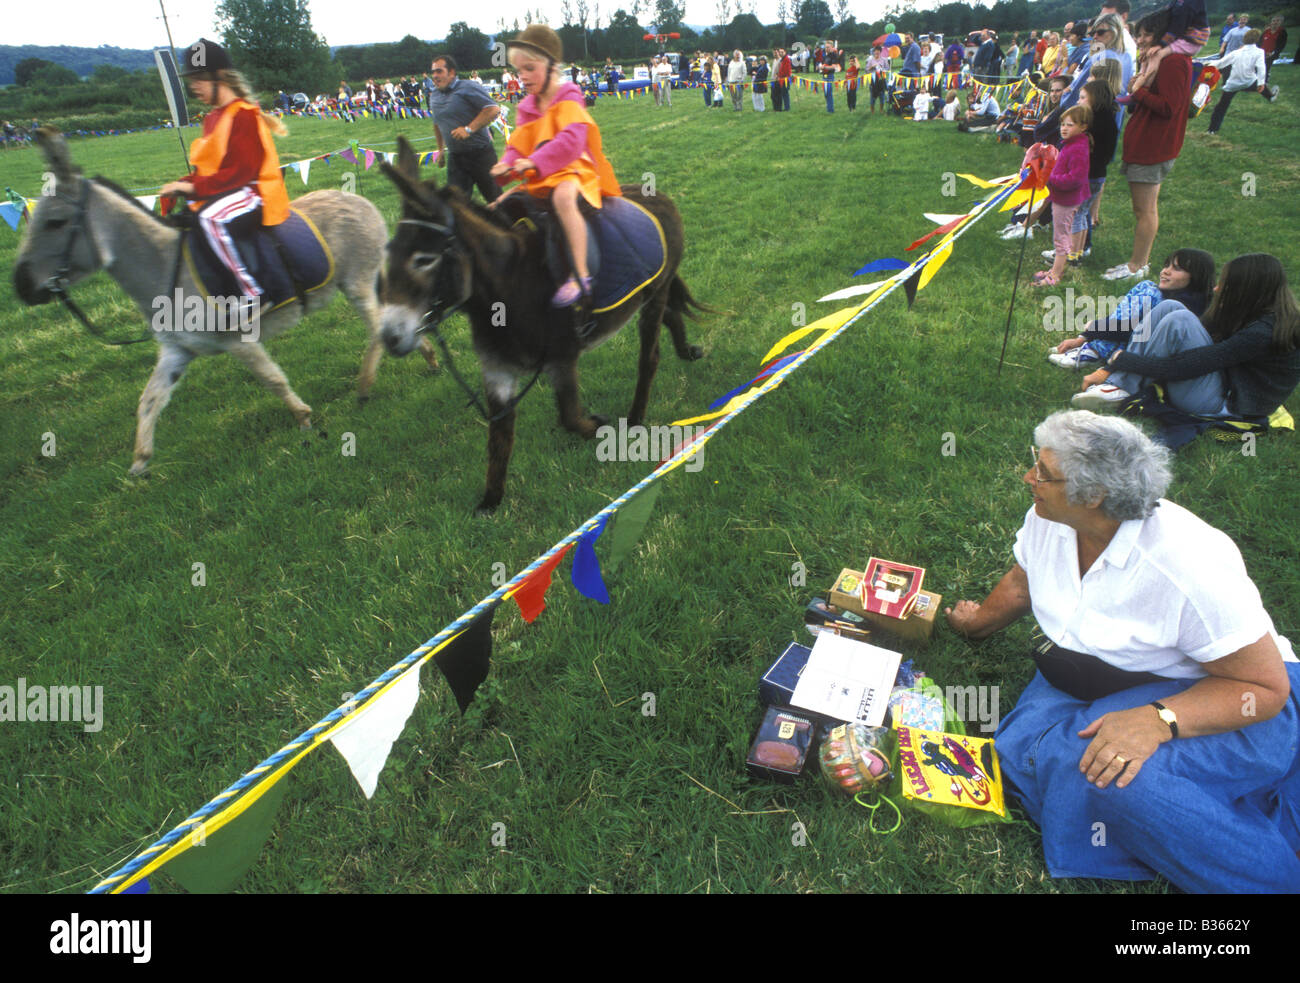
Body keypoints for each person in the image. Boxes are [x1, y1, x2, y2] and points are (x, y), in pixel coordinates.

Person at [946, 410, 1300, 892]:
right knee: (1021, 757)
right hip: (1105, 676)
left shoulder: (1187, 566)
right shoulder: (1050, 517)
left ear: (1094, 496)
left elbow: (1264, 687)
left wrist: (1159, 720)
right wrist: (975, 624)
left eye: (1044, 473)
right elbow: (1024, 579)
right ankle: (1228, 805)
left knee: (1110, 775)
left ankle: (1272, 876)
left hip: (1230, 697)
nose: (1029, 477)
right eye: (1036, 462)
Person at [1072, 254, 1300, 444]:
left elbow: (1181, 368)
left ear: (1247, 290)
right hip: (1222, 381)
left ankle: (1123, 386)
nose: (1217, 288)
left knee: (1179, 319)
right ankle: (1120, 386)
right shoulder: (1254, 312)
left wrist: (1119, 359)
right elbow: (1159, 337)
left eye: (1226, 284)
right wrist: (1094, 331)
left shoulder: (1262, 332)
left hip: (1224, 404)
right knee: (1170, 307)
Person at [489, 24, 622, 308]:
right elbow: (517, 147)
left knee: (563, 197)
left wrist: (534, 162)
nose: (522, 77)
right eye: (519, 70)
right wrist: (505, 165)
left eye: (529, 69)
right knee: (501, 202)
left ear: (551, 66)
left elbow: (571, 141)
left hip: (574, 170)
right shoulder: (526, 107)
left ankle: (581, 274)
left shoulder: (570, 95)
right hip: (541, 173)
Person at [158, 38, 289, 304]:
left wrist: (193, 188)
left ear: (220, 77)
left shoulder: (243, 115)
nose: (194, 88)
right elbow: (210, 168)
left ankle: (251, 293)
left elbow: (240, 172)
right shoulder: (212, 118)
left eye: (199, 80)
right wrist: (182, 183)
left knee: (211, 219)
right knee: (189, 218)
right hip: (226, 190)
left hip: (253, 192)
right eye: (192, 81)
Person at [1103, 10, 1190, 283]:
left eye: (1145, 34)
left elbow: (1169, 107)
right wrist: (1138, 90)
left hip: (1154, 147)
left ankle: (1137, 265)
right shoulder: (1156, 62)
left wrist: (1139, 92)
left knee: (1145, 210)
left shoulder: (1174, 62)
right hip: (1146, 143)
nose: (1139, 40)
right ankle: (1138, 261)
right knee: (1143, 208)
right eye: (1138, 34)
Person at [1049, 248, 1214, 369]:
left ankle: (1096, 350)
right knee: (1148, 287)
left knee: (1149, 290)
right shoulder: (1174, 296)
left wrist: (1096, 327)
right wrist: (1083, 337)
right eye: (1167, 265)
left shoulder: (1184, 309)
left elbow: (1138, 329)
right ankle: (1092, 346)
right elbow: (1126, 322)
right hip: (1132, 342)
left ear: (1196, 277)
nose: (1165, 271)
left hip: (1146, 354)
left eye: (1176, 268)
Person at [1034, 105, 1092, 288]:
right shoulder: (1072, 144)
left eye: (1070, 125)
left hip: (1066, 200)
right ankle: (1054, 271)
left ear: (1083, 127)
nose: (1064, 128)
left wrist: (1051, 179)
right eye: (1063, 124)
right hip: (1062, 197)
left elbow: (1076, 178)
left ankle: (1055, 275)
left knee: (1061, 237)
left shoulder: (1077, 149)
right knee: (1061, 234)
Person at [430, 55, 501, 205]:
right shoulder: (434, 95)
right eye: (433, 72)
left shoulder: (468, 87)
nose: (435, 76)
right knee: (456, 206)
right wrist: (441, 149)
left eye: (439, 71)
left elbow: (493, 109)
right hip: (456, 158)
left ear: (451, 72)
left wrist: (468, 129)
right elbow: (437, 123)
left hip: (481, 155)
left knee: (497, 202)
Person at [1129, 0, 1210, 94]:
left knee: (1156, 55)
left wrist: (1161, 44)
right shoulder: (1177, 2)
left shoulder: (1188, 4)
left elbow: (1177, 26)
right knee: (1147, 54)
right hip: (1182, 37)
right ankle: (1138, 81)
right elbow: (1166, 14)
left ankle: (1143, 89)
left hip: (1191, 41)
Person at [1206, 30, 1279, 134]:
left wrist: (1206, 65)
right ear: (1257, 39)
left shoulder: (1236, 52)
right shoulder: (1259, 52)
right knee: (1260, 84)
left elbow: (1220, 63)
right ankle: (1270, 97)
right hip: (1249, 82)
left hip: (1233, 84)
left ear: (1244, 39)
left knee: (1221, 107)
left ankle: (1212, 130)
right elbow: (1261, 68)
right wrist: (1261, 83)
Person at [820, 39, 842, 112]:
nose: (826, 48)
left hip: (829, 76)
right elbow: (824, 64)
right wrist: (821, 67)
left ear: (832, 47)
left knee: (828, 92)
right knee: (825, 93)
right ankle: (829, 108)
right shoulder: (825, 55)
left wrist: (824, 67)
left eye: (828, 47)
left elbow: (833, 66)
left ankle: (830, 110)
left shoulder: (834, 55)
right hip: (824, 76)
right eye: (826, 47)